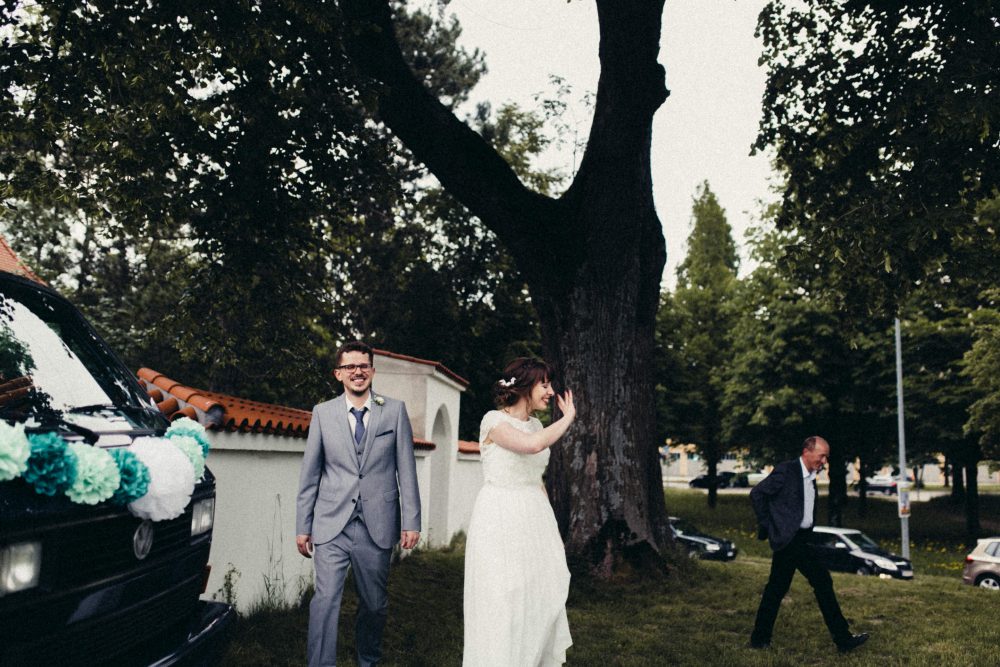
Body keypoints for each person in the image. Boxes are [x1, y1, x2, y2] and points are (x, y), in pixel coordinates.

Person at [296, 341, 421, 667]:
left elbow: (406, 469)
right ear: (339, 373)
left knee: (375, 604)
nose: (357, 372)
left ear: (373, 371)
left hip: (377, 525)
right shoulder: (322, 413)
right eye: (350, 367)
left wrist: (412, 520)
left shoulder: (393, 410)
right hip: (331, 523)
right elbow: (310, 474)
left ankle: (368, 660)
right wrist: (302, 526)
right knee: (324, 601)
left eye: (363, 365)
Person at [463, 357, 576, 666]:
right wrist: (568, 419)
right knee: (504, 598)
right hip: (500, 516)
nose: (551, 391)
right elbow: (531, 447)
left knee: (535, 597)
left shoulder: (536, 424)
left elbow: (535, 477)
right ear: (525, 386)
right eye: (545, 384)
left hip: (533, 516)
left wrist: (551, 529)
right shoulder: (493, 421)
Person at [749, 436, 869, 653]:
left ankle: (759, 639)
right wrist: (769, 526)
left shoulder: (811, 476)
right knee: (820, 581)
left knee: (777, 589)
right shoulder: (786, 471)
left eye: (826, 457)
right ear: (807, 451)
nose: (824, 461)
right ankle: (842, 639)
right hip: (789, 541)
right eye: (821, 455)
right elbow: (757, 494)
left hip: (803, 538)